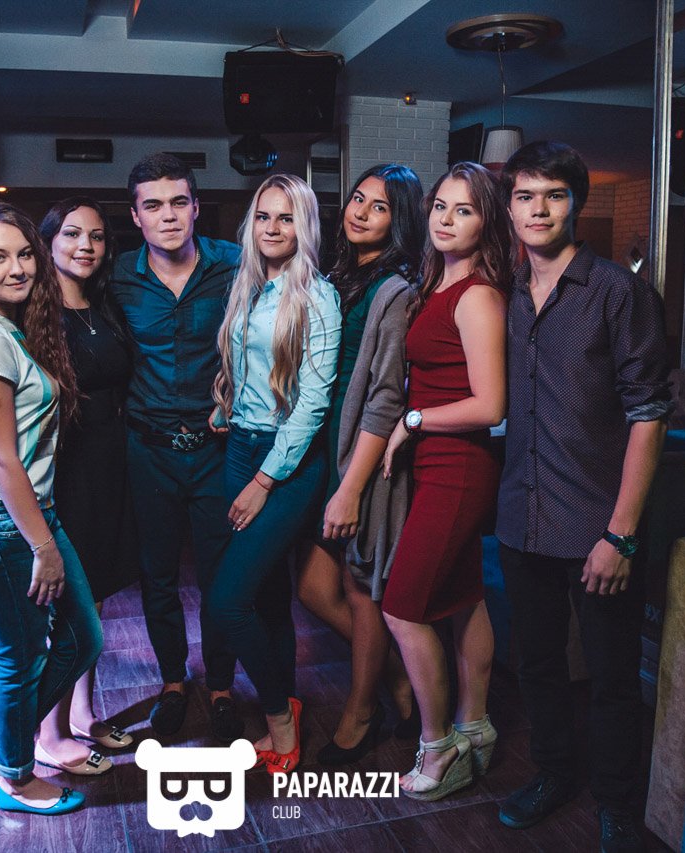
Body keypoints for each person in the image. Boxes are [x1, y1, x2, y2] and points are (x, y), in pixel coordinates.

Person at [495, 141, 671, 853]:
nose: (538, 209)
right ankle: (553, 775)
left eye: (554, 195)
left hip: (599, 525)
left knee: (611, 677)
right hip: (522, 518)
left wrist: (621, 535)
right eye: (525, 196)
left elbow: (650, 414)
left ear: (576, 203)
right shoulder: (507, 293)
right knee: (538, 665)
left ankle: (619, 805)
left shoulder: (617, 292)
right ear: (510, 209)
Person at [0, 197, 140, 775]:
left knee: (82, 629)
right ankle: (22, 757)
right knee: (28, 651)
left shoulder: (30, 322)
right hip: (12, 504)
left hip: (59, 484)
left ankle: (24, 736)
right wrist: (43, 544)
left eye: (22, 255)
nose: (16, 268)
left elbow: (1, 421)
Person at [380, 162, 512, 801]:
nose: (446, 219)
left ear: (486, 222)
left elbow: (491, 405)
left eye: (464, 210)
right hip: (437, 464)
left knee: (402, 607)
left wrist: (412, 420)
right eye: (440, 206)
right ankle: (476, 725)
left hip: (459, 467)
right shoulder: (436, 284)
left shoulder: (478, 295)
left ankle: (439, 748)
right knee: (463, 597)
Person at [205, 173, 340, 774]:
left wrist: (264, 481)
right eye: (264, 216)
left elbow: (312, 403)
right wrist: (228, 403)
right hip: (241, 445)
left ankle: (280, 718)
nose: (273, 228)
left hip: (286, 464)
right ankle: (289, 701)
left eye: (286, 217)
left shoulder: (317, 295)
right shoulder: (250, 286)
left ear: (303, 225)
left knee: (227, 602)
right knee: (265, 595)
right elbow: (251, 365)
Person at [110, 153, 245, 742]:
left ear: (196, 207)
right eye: (153, 205)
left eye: (178, 202)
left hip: (218, 449)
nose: (168, 215)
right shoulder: (116, 275)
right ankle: (172, 681)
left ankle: (221, 686)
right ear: (136, 216)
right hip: (149, 449)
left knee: (221, 575)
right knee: (157, 574)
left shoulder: (235, 264)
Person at [292, 163, 423, 764]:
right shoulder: (337, 275)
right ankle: (398, 676)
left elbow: (387, 398)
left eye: (380, 207)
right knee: (314, 588)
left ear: (400, 220)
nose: (362, 213)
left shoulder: (396, 290)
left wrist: (350, 488)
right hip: (324, 452)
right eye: (358, 199)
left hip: (361, 460)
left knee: (360, 588)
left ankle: (360, 711)